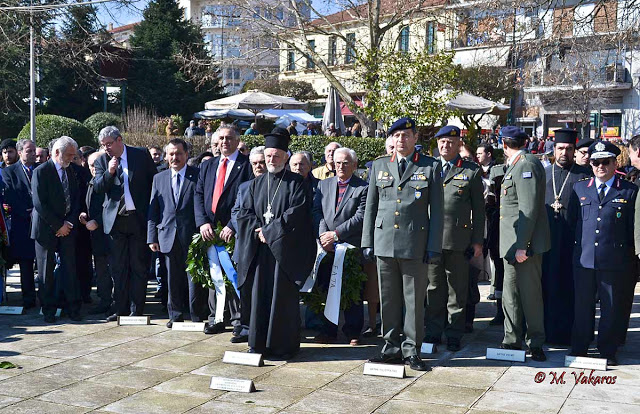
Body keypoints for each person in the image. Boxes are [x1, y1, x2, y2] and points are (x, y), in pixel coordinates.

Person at [361, 117, 444, 371]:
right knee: (388, 300)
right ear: (391, 140)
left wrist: (433, 246)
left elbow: (438, 212)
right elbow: (371, 208)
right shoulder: (379, 165)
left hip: (415, 244)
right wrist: (368, 241)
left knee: (414, 300)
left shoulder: (430, 167)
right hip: (385, 242)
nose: (401, 140)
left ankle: (411, 350)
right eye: (396, 136)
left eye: (406, 136)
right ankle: (390, 348)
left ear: (415, 138)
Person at [236, 128, 315, 358]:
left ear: (286, 157)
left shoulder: (297, 184)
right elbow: (244, 213)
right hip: (260, 253)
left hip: (284, 253)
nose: (272, 160)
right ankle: (257, 343)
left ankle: (283, 346)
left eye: (277, 156)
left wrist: (270, 231)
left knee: (282, 299)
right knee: (258, 297)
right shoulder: (254, 184)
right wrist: (258, 232)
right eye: (269, 156)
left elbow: (297, 213)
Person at [569, 141, 638, 366]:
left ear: (615, 163)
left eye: (605, 162)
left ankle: (607, 350)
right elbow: (573, 224)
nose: (600, 166)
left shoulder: (628, 190)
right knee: (582, 307)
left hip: (614, 261)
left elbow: (631, 230)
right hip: (584, 259)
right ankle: (580, 347)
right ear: (590, 164)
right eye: (595, 162)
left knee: (611, 308)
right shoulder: (580, 189)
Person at [424, 125, 484, 352]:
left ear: (459, 144)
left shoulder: (471, 171)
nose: (445, 145)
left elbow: (479, 211)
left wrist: (478, 241)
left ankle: (454, 334)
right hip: (431, 241)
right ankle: (433, 332)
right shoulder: (429, 168)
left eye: (450, 142)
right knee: (433, 289)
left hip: (458, 240)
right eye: (441, 141)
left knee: (456, 291)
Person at [496, 126, 550, 361]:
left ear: (504, 144)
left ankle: (535, 342)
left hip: (522, 245)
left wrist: (523, 245)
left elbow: (528, 208)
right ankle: (511, 340)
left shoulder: (525, 164)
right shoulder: (517, 163)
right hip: (511, 244)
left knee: (529, 295)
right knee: (510, 295)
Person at [194, 124, 253, 335]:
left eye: (229, 138)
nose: (224, 142)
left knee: (234, 273)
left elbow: (247, 200)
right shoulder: (208, 166)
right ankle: (217, 317)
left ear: (237, 141)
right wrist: (202, 222)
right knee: (214, 274)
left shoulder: (246, 166)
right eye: (221, 139)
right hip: (209, 230)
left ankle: (239, 320)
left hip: (233, 231)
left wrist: (232, 225)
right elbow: (198, 195)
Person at [94, 126, 157, 321]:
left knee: (138, 266)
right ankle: (119, 309)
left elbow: (154, 182)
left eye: (109, 144)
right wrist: (109, 173)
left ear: (119, 140)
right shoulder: (101, 161)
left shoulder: (140, 155)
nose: (107, 149)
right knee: (118, 268)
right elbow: (97, 187)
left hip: (138, 219)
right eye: (103, 146)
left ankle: (136, 309)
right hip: (115, 222)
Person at [312, 147, 368, 345]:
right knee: (326, 288)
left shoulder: (363, 187)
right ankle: (328, 330)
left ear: (354, 165)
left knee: (353, 290)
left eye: (345, 163)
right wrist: (323, 235)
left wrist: (336, 234)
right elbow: (317, 211)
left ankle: (353, 332)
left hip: (350, 245)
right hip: (326, 246)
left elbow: (361, 216)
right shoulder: (323, 185)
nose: (341, 166)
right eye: (338, 163)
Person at [542, 129, 591, 345]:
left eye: (569, 149)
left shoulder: (585, 175)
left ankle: (568, 333)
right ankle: (546, 331)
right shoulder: (543, 173)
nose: (565, 152)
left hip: (573, 241)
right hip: (547, 239)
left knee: (569, 288)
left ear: (574, 151)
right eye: (561, 148)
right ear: (554, 149)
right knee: (547, 284)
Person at [148, 139, 204, 328]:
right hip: (167, 236)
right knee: (172, 278)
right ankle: (176, 315)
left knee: (194, 279)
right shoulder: (159, 178)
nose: (174, 157)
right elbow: (153, 210)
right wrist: (151, 237)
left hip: (192, 235)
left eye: (178, 153)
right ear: (166, 156)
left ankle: (196, 316)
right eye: (171, 154)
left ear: (186, 155)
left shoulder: (198, 175)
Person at [31, 136, 82, 322]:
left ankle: (73, 308)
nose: (71, 158)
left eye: (73, 155)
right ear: (57, 152)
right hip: (46, 229)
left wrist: (68, 223)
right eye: (69, 155)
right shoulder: (41, 171)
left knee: (69, 268)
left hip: (67, 228)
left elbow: (75, 199)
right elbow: (39, 203)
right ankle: (49, 310)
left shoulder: (71, 172)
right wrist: (57, 225)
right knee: (46, 271)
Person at [228, 145, 266, 343]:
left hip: (266, 246)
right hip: (245, 245)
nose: (258, 166)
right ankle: (245, 327)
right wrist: (246, 228)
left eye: (262, 162)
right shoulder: (244, 187)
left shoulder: (274, 187)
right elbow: (235, 212)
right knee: (246, 288)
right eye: (255, 164)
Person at [2, 139, 38, 308]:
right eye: (29, 151)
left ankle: (46, 296)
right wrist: (26, 211)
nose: (32, 154)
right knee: (25, 262)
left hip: (41, 222)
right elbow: (10, 196)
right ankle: (28, 298)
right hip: (21, 222)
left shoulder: (40, 169)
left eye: (34, 151)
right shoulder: (9, 172)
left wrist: (38, 211)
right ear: (20, 152)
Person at [81, 151, 113, 314]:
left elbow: (112, 206)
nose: (93, 168)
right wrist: (84, 215)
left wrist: (97, 221)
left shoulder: (109, 181)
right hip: (97, 236)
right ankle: (104, 300)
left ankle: (115, 302)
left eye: (96, 165)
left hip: (110, 234)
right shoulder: (91, 181)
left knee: (112, 270)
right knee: (101, 270)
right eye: (90, 165)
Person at [476, 144, 504, 324]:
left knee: (499, 266)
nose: (478, 157)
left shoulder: (499, 170)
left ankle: (501, 308)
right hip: (482, 221)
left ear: (489, 154)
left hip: (495, 222)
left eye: (481, 153)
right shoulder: (475, 171)